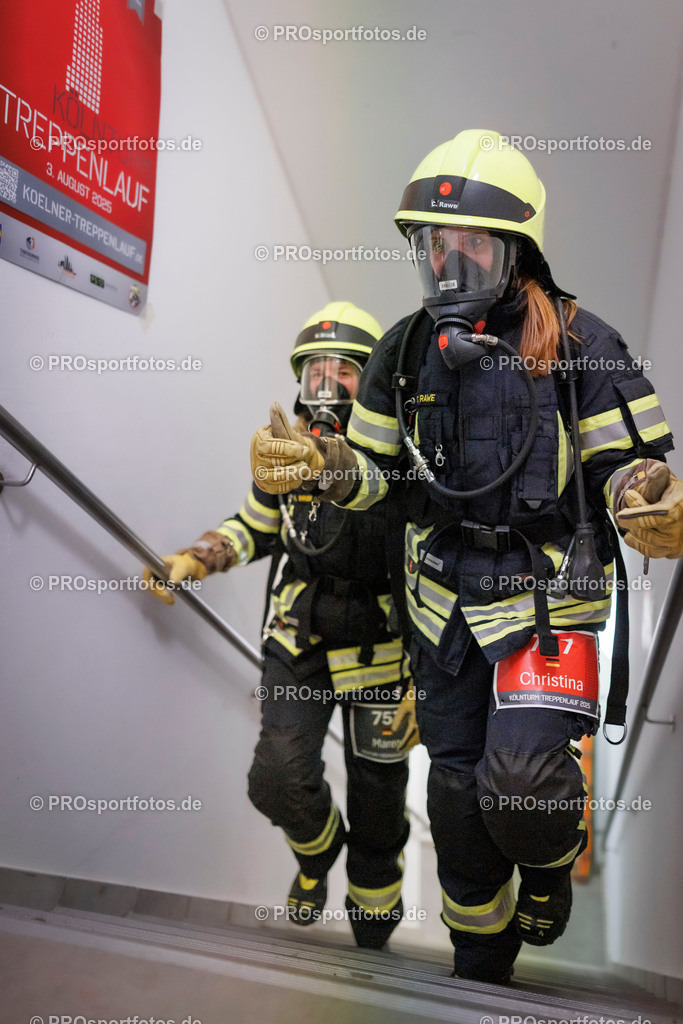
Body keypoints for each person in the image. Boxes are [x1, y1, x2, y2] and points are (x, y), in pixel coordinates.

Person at [250, 131, 683, 983]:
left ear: (516, 249)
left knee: (517, 776)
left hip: (542, 599)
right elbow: (375, 475)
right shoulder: (404, 353)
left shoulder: (580, 343)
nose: (448, 264)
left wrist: (646, 497)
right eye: (431, 246)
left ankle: (551, 870)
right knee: (451, 792)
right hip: (438, 601)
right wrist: (324, 467)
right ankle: (479, 961)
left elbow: (626, 464)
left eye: (469, 246)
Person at [145, 301, 418, 950]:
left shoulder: (401, 455)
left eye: (343, 371)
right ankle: (317, 856)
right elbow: (253, 528)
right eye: (313, 371)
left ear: (372, 379)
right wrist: (196, 558)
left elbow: (424, 556)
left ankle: (372, 897)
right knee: (277, 775)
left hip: (378, 647)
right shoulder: (282, 453)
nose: (325, 385)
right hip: (298, 634)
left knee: (378, 794)